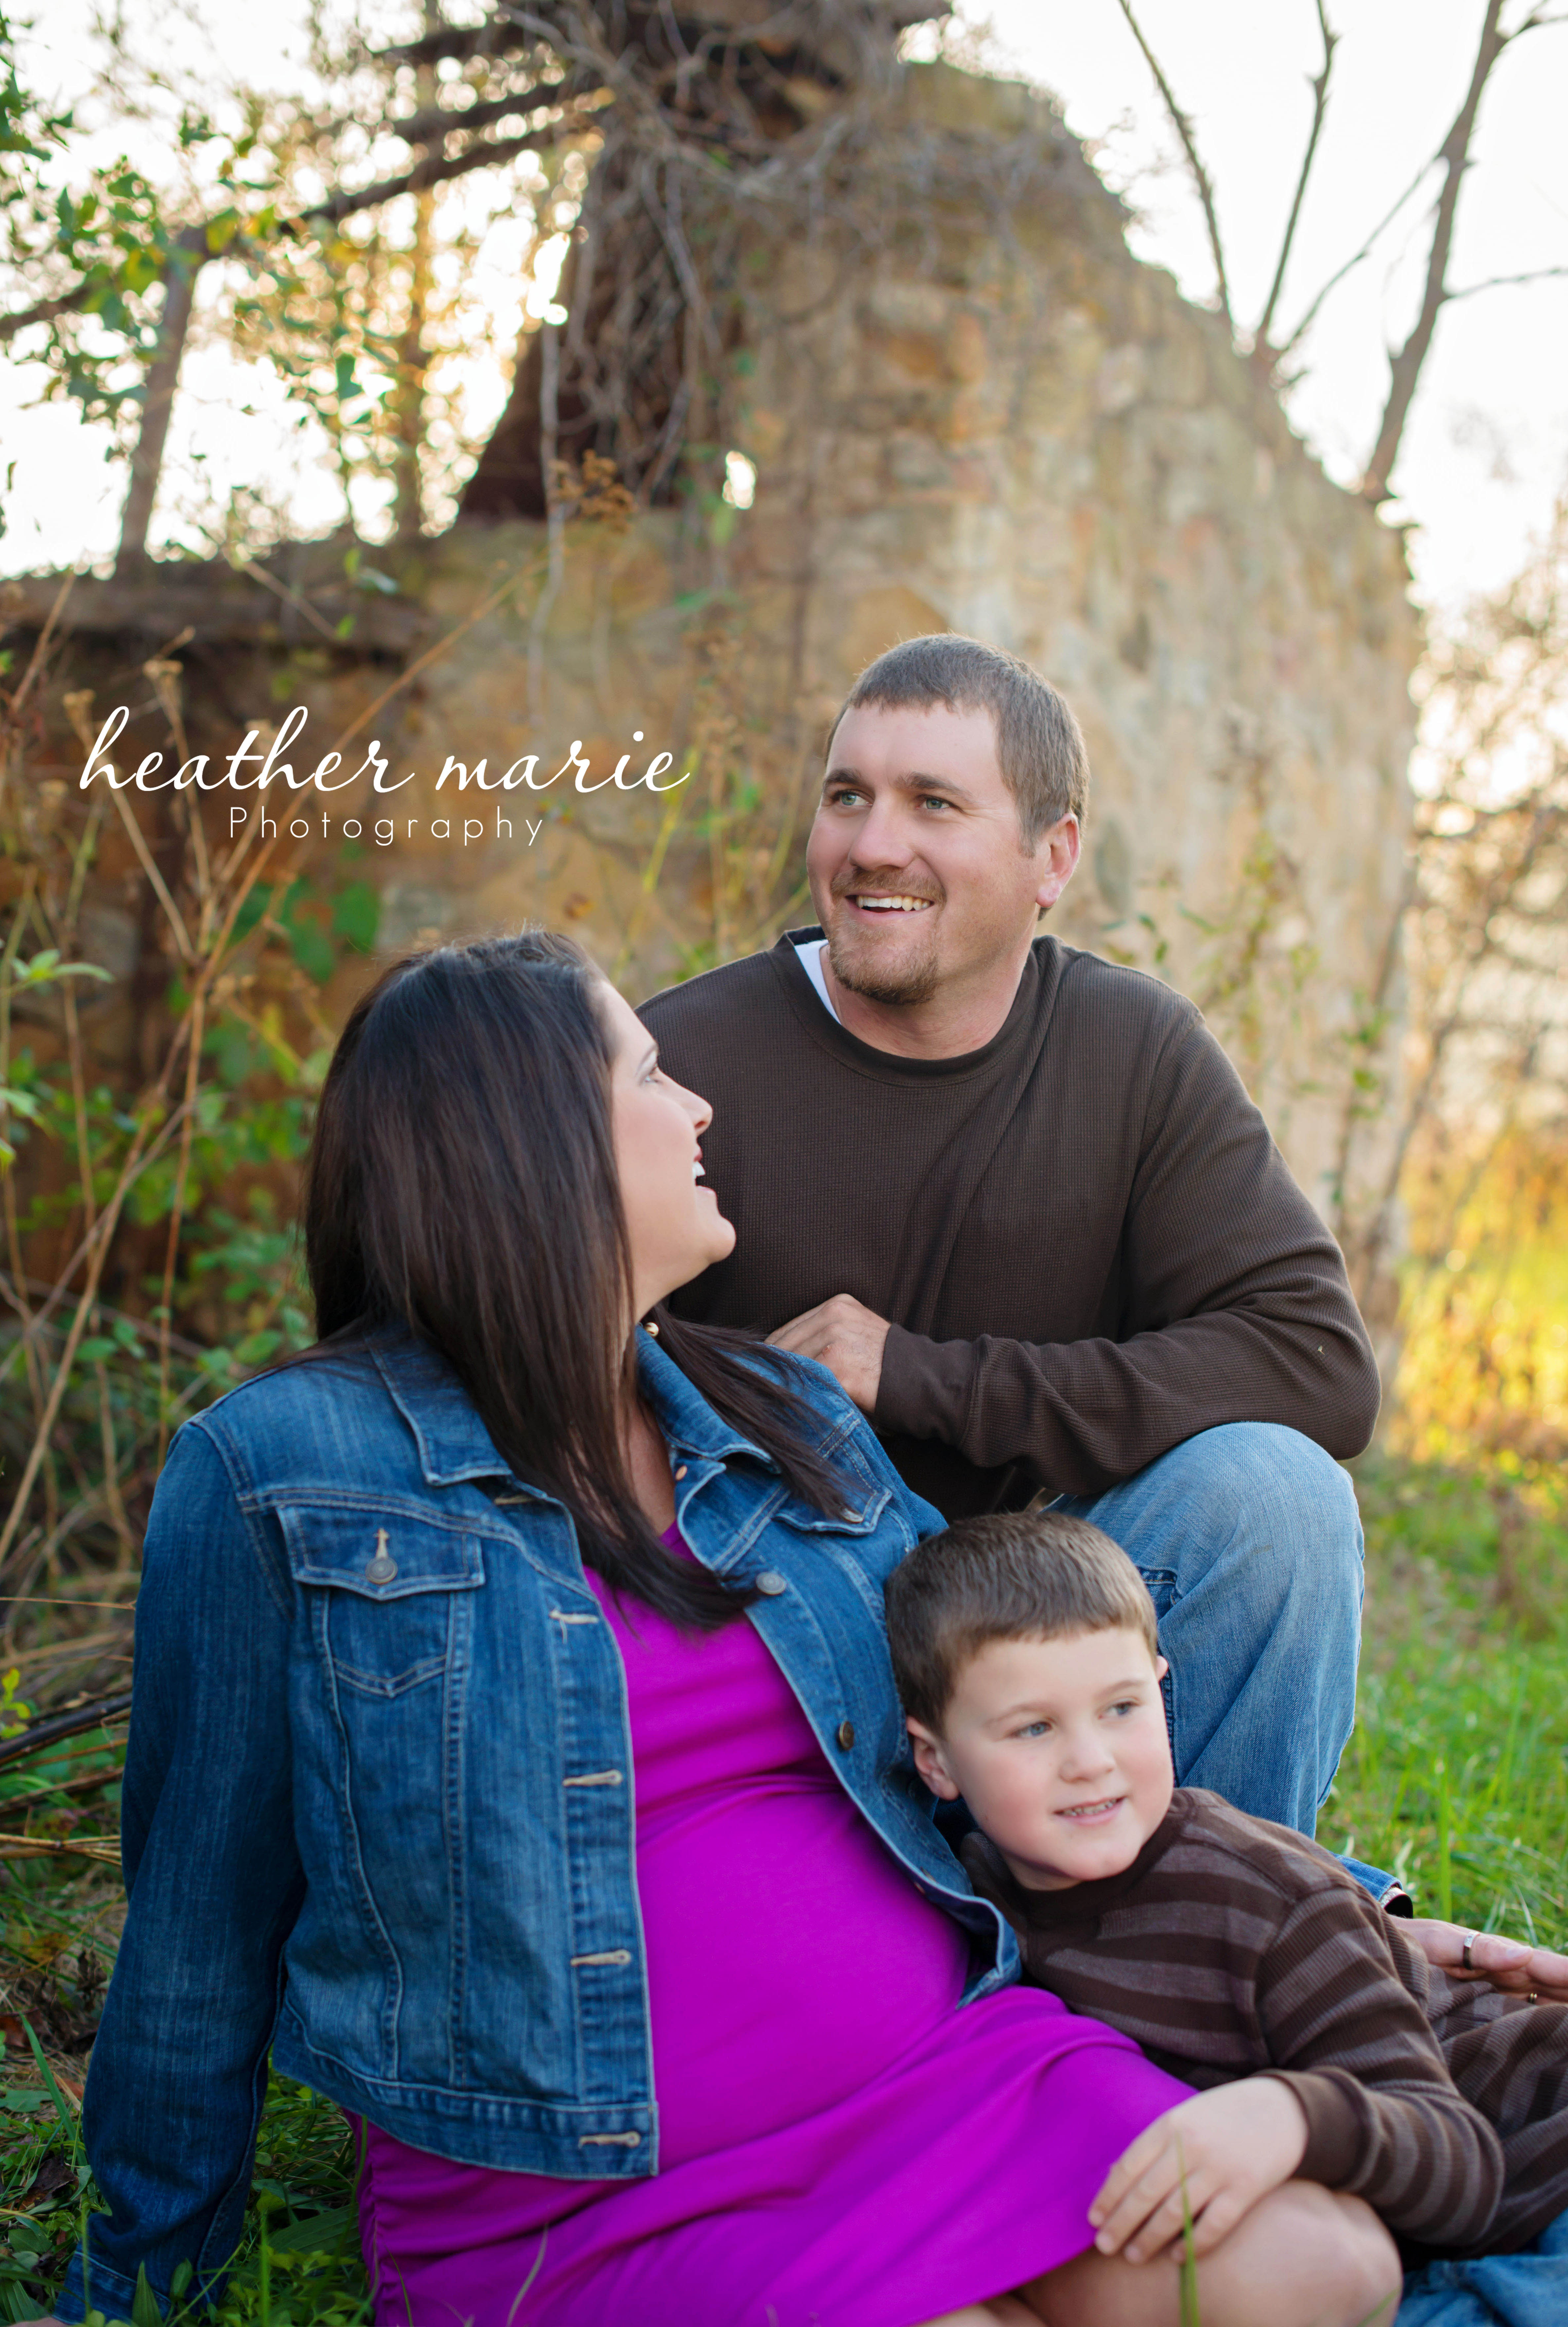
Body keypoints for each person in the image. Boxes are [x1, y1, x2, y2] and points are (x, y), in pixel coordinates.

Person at [45, 931, 1399, 2327]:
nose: (698, 1109)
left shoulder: (777, 1413)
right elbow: (198, 1919)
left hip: (944, 2075)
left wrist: (1350, 1917)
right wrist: (136, 2290)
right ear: (532, 1138)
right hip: (577, 2188)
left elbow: (998, 1715)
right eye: (649, 1075)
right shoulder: (284, 1470)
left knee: (1328, 2263)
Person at [640, 627, 1568, 2004]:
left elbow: (1314, 1362)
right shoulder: (678, 1063)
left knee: (1272, 1494)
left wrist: (923, 1376)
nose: (872, 844)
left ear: (1052, 856)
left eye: (932, 803)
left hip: (1036, 1640)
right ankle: (1155, 1941)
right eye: (847, 795)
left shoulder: (1128, 1054)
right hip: (781, 1648)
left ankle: (1219, 1958)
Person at [883, 1508, 1568, 2277]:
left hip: (1533, 2154)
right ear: (935, 1762)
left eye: (1121, 1708)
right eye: (1033, 1728)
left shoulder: (1264, 1899)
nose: (1091, 1760)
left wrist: (1291, 2113)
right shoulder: (969, 1895)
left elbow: (1461, 2166)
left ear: (1159, 1689)